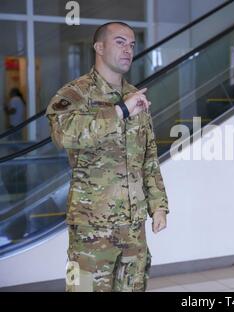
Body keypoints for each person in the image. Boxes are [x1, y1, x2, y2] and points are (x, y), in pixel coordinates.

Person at [46, 22, 169, 292]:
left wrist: (159, 205)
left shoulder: (135, 96)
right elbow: (64, 135)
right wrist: (119, 111)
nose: (128, 50)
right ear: (99, 47)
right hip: (91, 230)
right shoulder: (74, 94)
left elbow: (148, 158)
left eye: (132, 45)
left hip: (133, 228)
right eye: (120, 42)